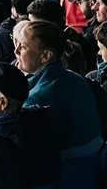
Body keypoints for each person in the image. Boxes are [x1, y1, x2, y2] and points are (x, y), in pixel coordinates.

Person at [15, 19, 102, 166]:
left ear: (46, 56)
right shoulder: (76, 78)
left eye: (22, 46)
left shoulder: (35, 100)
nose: (16, 51)